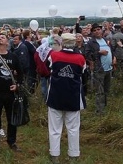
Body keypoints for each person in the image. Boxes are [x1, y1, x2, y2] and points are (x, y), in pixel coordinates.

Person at [46, 33, 86, 164]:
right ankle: (73, 155)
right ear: (74, 43)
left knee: (54, 128)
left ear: (62, 42)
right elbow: (83, 72)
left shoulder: (54, 55)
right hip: (73, 96)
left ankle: (55, 155)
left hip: (55, 95)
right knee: (73, 128)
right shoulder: (81, 58)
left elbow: (49, 67)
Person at [84, 23, 116, 115]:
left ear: (101, 30)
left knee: (106, 90)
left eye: (98, 29)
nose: (97, 31)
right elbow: (87, 55)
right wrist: (98, 52)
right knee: (100, 91)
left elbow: (111, 50)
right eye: (94, 30)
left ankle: (104, 106)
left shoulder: (106, 40)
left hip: (108, 68)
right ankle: (99, 111)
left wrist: (113, 58)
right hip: (99, 69)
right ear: (92, 32)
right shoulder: (91, 42)